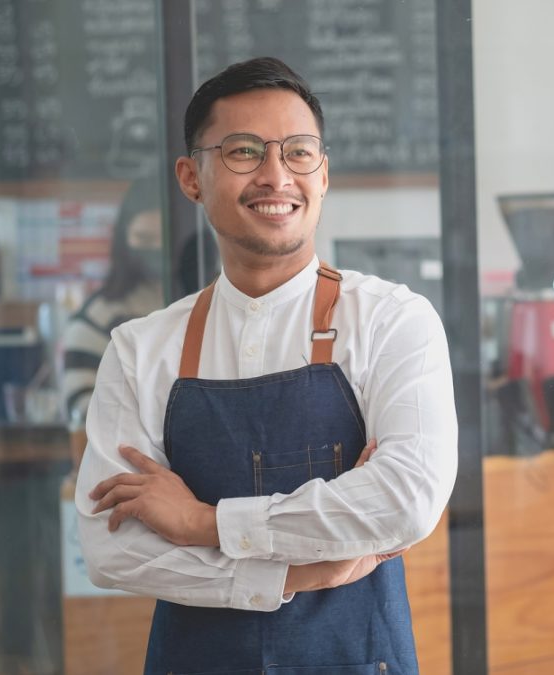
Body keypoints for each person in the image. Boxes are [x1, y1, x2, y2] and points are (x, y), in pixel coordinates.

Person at [75, 56, 458, 675]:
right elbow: (111, 550)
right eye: (244, 152)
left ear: (323, 174)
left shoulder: (392, 321)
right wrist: (294, 574)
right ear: (191, 178)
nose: (276, 176)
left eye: (299, 152)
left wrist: (205, 523)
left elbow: (405, 500)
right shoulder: (139, 349)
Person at [61, 178, 164, 470]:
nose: (156, 251)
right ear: (123, 240)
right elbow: (81, 410)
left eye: (164, 239)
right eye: (144, 240)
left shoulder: (203, 305)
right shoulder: (97, 318)